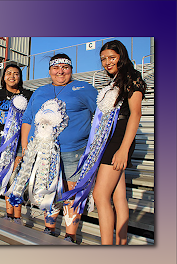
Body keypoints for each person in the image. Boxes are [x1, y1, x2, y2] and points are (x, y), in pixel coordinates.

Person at [65, 41, 146, 245]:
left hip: (119, 139)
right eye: (103, 59)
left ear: (121, 56)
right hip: (108, 139)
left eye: (111, 57)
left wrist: (123, 149)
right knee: (118, 196)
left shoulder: (132, 77)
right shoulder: (114, 82)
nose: (107, 62)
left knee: (101, 195)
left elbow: (135, 114)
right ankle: (121, 244)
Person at [19, 54, 97, 243]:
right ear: (49, 71)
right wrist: (24, 148)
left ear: (71, 69)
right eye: (56, 68)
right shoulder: (39, 91)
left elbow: (101, 116)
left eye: (65, 67)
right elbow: (28, 119)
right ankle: (49, 229)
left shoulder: (85, 89)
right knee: (47, 189)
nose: (60, 71)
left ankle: (70, 235)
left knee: (71, 192)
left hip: (73, 151)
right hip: (43, 151)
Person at [0, 63, 32, 224]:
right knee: (5, 175)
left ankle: (17, 216)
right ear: (4, 77)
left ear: (20, 77)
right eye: (8, 73)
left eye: (16, 73)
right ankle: (10, 215)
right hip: (0, 138)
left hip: (19, 139)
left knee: (17, 175)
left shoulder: (28, 95)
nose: (12, 76)